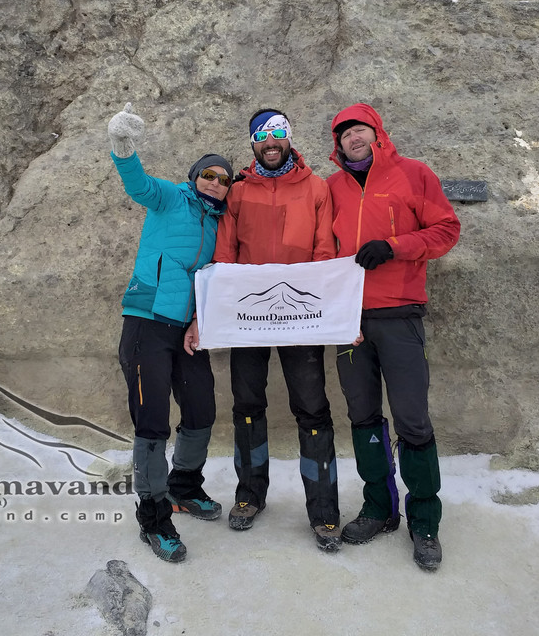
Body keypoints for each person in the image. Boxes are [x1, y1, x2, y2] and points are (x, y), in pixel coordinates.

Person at [185, 108, 342, 551]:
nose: (270, 142)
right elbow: (225, 253)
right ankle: (250, 495)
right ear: (253, 143)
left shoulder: (316, 188)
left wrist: (327, 313)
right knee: (248, 406)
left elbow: (324, 252)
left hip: (301, 317)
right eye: (261, 135)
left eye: (277, 133)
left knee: (312, 410)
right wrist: (215, 312)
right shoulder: (237, 192)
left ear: (289, 137)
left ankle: (324, 511)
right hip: (249, 317)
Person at [326, 102, 460, 571]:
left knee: (412, 419)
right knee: (362, 415)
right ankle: (379, 508)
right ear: (338, 144)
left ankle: (425, 520)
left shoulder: (413, 174)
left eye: (359, 129)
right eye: (344, 134)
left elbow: (446, 230)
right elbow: (321, 247)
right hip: (348, 321)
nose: (353, 138)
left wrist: (395, 246)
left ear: (377, 132)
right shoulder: (332, 187)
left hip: (399, 314)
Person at [108, 101, 233, 564]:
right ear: (195, 176)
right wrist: (123, 146)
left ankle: (184, 485)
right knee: (153, 421)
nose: (215, 183)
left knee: (201, 409)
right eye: (208, 175)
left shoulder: (219, 222)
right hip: (147, 324)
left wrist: (201, 318)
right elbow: (137, 184)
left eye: (224, 179)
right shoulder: (170, 198)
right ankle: (154, 515)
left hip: (186, 332)